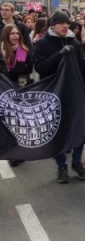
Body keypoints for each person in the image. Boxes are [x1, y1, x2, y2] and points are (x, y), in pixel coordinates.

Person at [33, 12, 85, 183]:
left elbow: (82, 69)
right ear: (52, 25)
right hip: (54, 95)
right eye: (61, 23)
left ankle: (77, 162)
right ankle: (61, 166)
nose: (65, 26)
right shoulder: (42, 44)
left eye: (67, 23)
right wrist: (59, 54)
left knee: (79, 128)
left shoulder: (75, 42)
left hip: (75, 93)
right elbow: (41, 68)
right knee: (58, 131)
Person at [1, 23, 35, 168]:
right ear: (6, 36)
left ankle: (19, 153)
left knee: (20, 123)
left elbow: (24, 69)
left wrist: (10, 70)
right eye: (12, 34)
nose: (15, 36)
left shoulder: (23, 50)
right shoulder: (1, 50)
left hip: (20, 91)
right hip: (4, 92)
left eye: (17, 34)